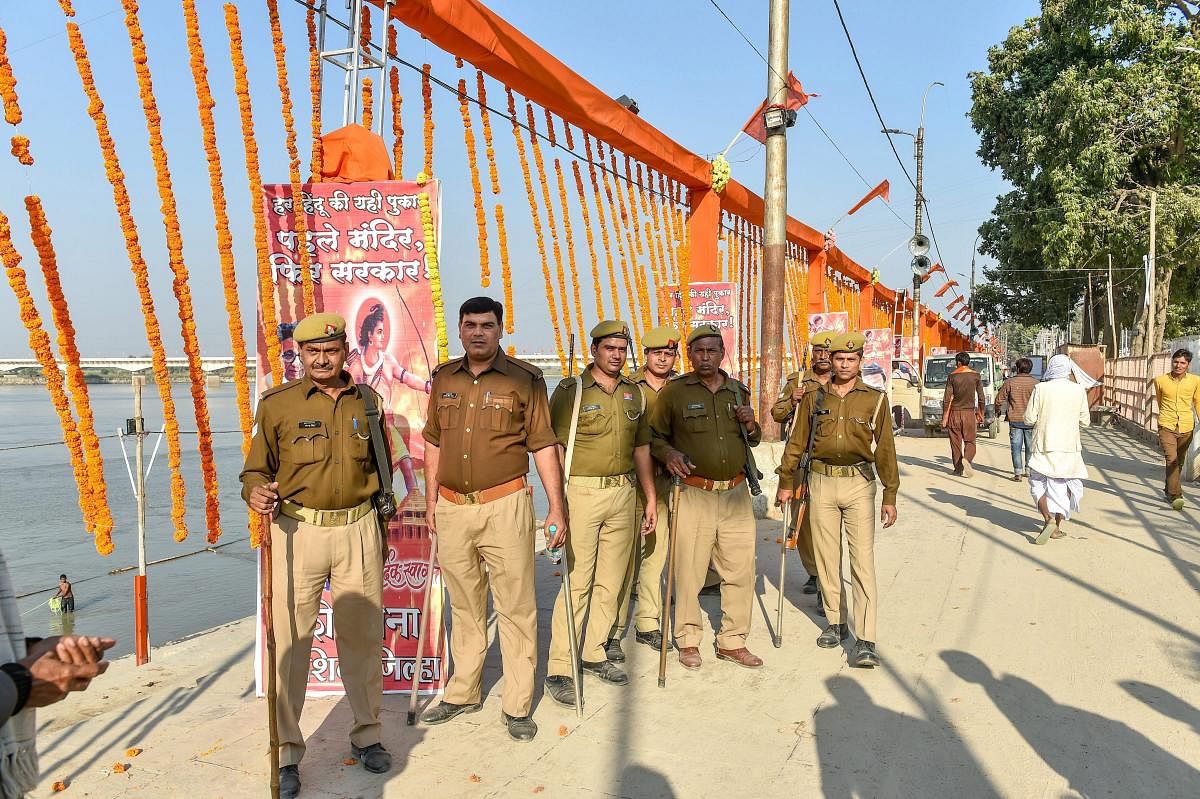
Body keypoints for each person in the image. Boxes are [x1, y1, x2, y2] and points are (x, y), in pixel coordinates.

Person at [241, 312, 393, 798]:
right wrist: (256, 494)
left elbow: (382, 467)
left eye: (330, 350)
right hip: (297, 531)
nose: (322, 358)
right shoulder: (277, 406)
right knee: (291, 643)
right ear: (300, 356)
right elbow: (252, 471)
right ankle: (287, 753)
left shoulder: (367, 402)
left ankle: (367, 736)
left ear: (344, 350)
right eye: (312, 352)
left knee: (363, 639)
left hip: (358, 528)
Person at [419, 297, 564, 742]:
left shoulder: (526, 380)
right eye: (470, 325)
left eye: (487, 325)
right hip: (452, 507)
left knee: (516, 604)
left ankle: (518, 703)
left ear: (500, 330)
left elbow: (542, 445)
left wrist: (556, 506)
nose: (478, 332)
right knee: (464, 604)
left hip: (506, 505)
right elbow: (433, 443)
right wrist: (430, 501)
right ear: (460, 330)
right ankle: (463, 692)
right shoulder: (443, 378)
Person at [542, 321, 657, 706]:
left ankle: (593, 651)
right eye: (609, 348)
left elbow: (642, 449)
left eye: (622, 348)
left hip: (623, 493)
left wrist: (650, 498)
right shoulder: (570, 392)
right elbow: (553, 448)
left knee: (612, 580)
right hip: (582, 492)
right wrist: (557, 504)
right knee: (577, 582)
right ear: (594, 349)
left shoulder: (632, 394)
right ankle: (560, 666)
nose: (616, 355)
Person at [776, 332, 899, 669]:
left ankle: (866, 638)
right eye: (839, 359)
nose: (844, 364)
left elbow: (885, 448)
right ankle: (836, 621)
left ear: (860, 361)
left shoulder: (875, 399)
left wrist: (890, 493)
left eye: (851, 359)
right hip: (820, 481)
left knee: (862, 562)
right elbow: (797, 442)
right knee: (827, 557)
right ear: (831, 361)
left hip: (859, 483)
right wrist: (786, 481)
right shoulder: (815, 398)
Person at [649, 324, 763, 671]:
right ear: (690, 355)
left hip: (736, 494)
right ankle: (687, 639)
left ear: (722, 353)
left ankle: (733, 641)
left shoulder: (739, 392)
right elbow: (652, 436)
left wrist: (753, 423)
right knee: (689, 571)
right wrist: (668, 454)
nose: (705, 357)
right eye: (699, 351)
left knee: (741, 571)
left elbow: (754, 440)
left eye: (712, 350)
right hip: (694, 493)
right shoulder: (674, 393)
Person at [2, 547, 115, 798]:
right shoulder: (60, 585)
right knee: (65, 616)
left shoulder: (67, 586)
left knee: (68, 615)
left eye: (63, 581)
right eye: (61, 581)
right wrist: (20, 680)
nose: (62, 583)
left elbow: (64, 593)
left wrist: (26, 653)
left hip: (67, 601)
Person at [607, 325, 680, 658]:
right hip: (630, 484)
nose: (663, 359)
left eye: (669, 353)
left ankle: (648, 623)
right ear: (646, 355)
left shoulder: (682, 388)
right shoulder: (628, 387)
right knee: (622, 560)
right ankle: (613, 628)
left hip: (666, 483)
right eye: (657, 353)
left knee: (655, 555)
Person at [771, 331, 835, 607]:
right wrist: (791, 400)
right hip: (801, 459)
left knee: (825, 521)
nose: (823, 356)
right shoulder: (797, 381)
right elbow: (777, 413)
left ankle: (825, 578)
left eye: (828, 352)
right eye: (818, 351)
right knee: (802, 521)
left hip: (828, 460)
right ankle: (813, 570)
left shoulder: (843, 383)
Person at [1024, 353, 1093, 544]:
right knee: (1064, 487)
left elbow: (1029, 418)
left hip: (1043, 446)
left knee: (1038, 484)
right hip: (1069, 448)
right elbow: (1085, 421)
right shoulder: (1078, 390)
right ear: (1069, 370)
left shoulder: (1040, 388)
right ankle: (1057, 526)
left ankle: (1047, 520)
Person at [1150, 349, 1200, 511]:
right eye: (1176, 362)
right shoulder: (1160, 380)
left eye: (1182, 363)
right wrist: (1166, 418)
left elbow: (1198, 402)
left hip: (1186, 426)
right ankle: (1175, 495)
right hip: (1167, 425)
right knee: (1171, 458)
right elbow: (1160, 400)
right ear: (1172, 362)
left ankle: (1168, 489)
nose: (1178, 365)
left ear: (1188, 364)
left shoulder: (1195, 381)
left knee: (1179, 460)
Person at [941, 351, 985, 477]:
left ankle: (958, 468)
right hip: (969, 413)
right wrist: (981, 413)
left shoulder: (952, 376)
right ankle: (967, 459)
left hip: (954, 414)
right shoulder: (976, 376)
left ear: (959, 362)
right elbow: (981, 397)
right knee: (970, 441)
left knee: (955, 442)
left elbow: (946, 398)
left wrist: (945, 417)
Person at [996, 358, 1039, 481]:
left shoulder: (1010, 382)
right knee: (1030, 447)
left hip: (1015, 420)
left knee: (1016, 447)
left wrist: (997, 411)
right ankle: (1029, 471)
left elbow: (999, 399)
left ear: (1018, 368)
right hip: (1031, 421)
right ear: (1030, 369)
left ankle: (1018, 473)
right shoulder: (1036, 384)